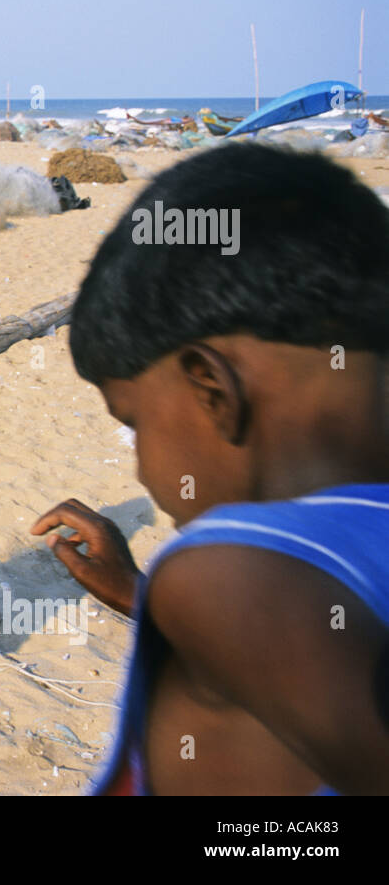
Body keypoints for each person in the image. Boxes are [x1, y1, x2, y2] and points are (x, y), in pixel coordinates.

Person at [30, 143, 389, 795]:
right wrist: (141, 595)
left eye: (134, 421)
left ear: (212, 389)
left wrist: (184, 596)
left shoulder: (221, 575)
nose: (142, 467)